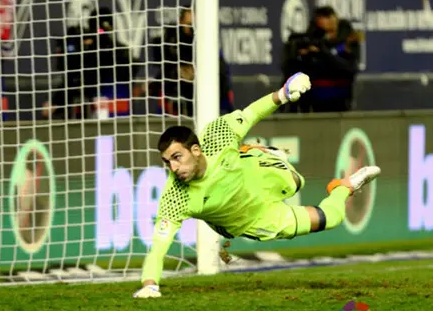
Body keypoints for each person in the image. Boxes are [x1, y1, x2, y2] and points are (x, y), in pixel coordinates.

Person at [132, 72, 381, 298]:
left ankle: (253, 151)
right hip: (255, 220)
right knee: (331, 217)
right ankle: (343, 187)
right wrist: (150, 284)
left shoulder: (216, 135)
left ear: (196, 150)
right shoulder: (175, 196)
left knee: (296, 182)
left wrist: (283, 94)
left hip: (260, 174)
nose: (174, 169)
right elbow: (159, 246)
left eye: (177, 158)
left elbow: (251, 113)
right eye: (167, 163)